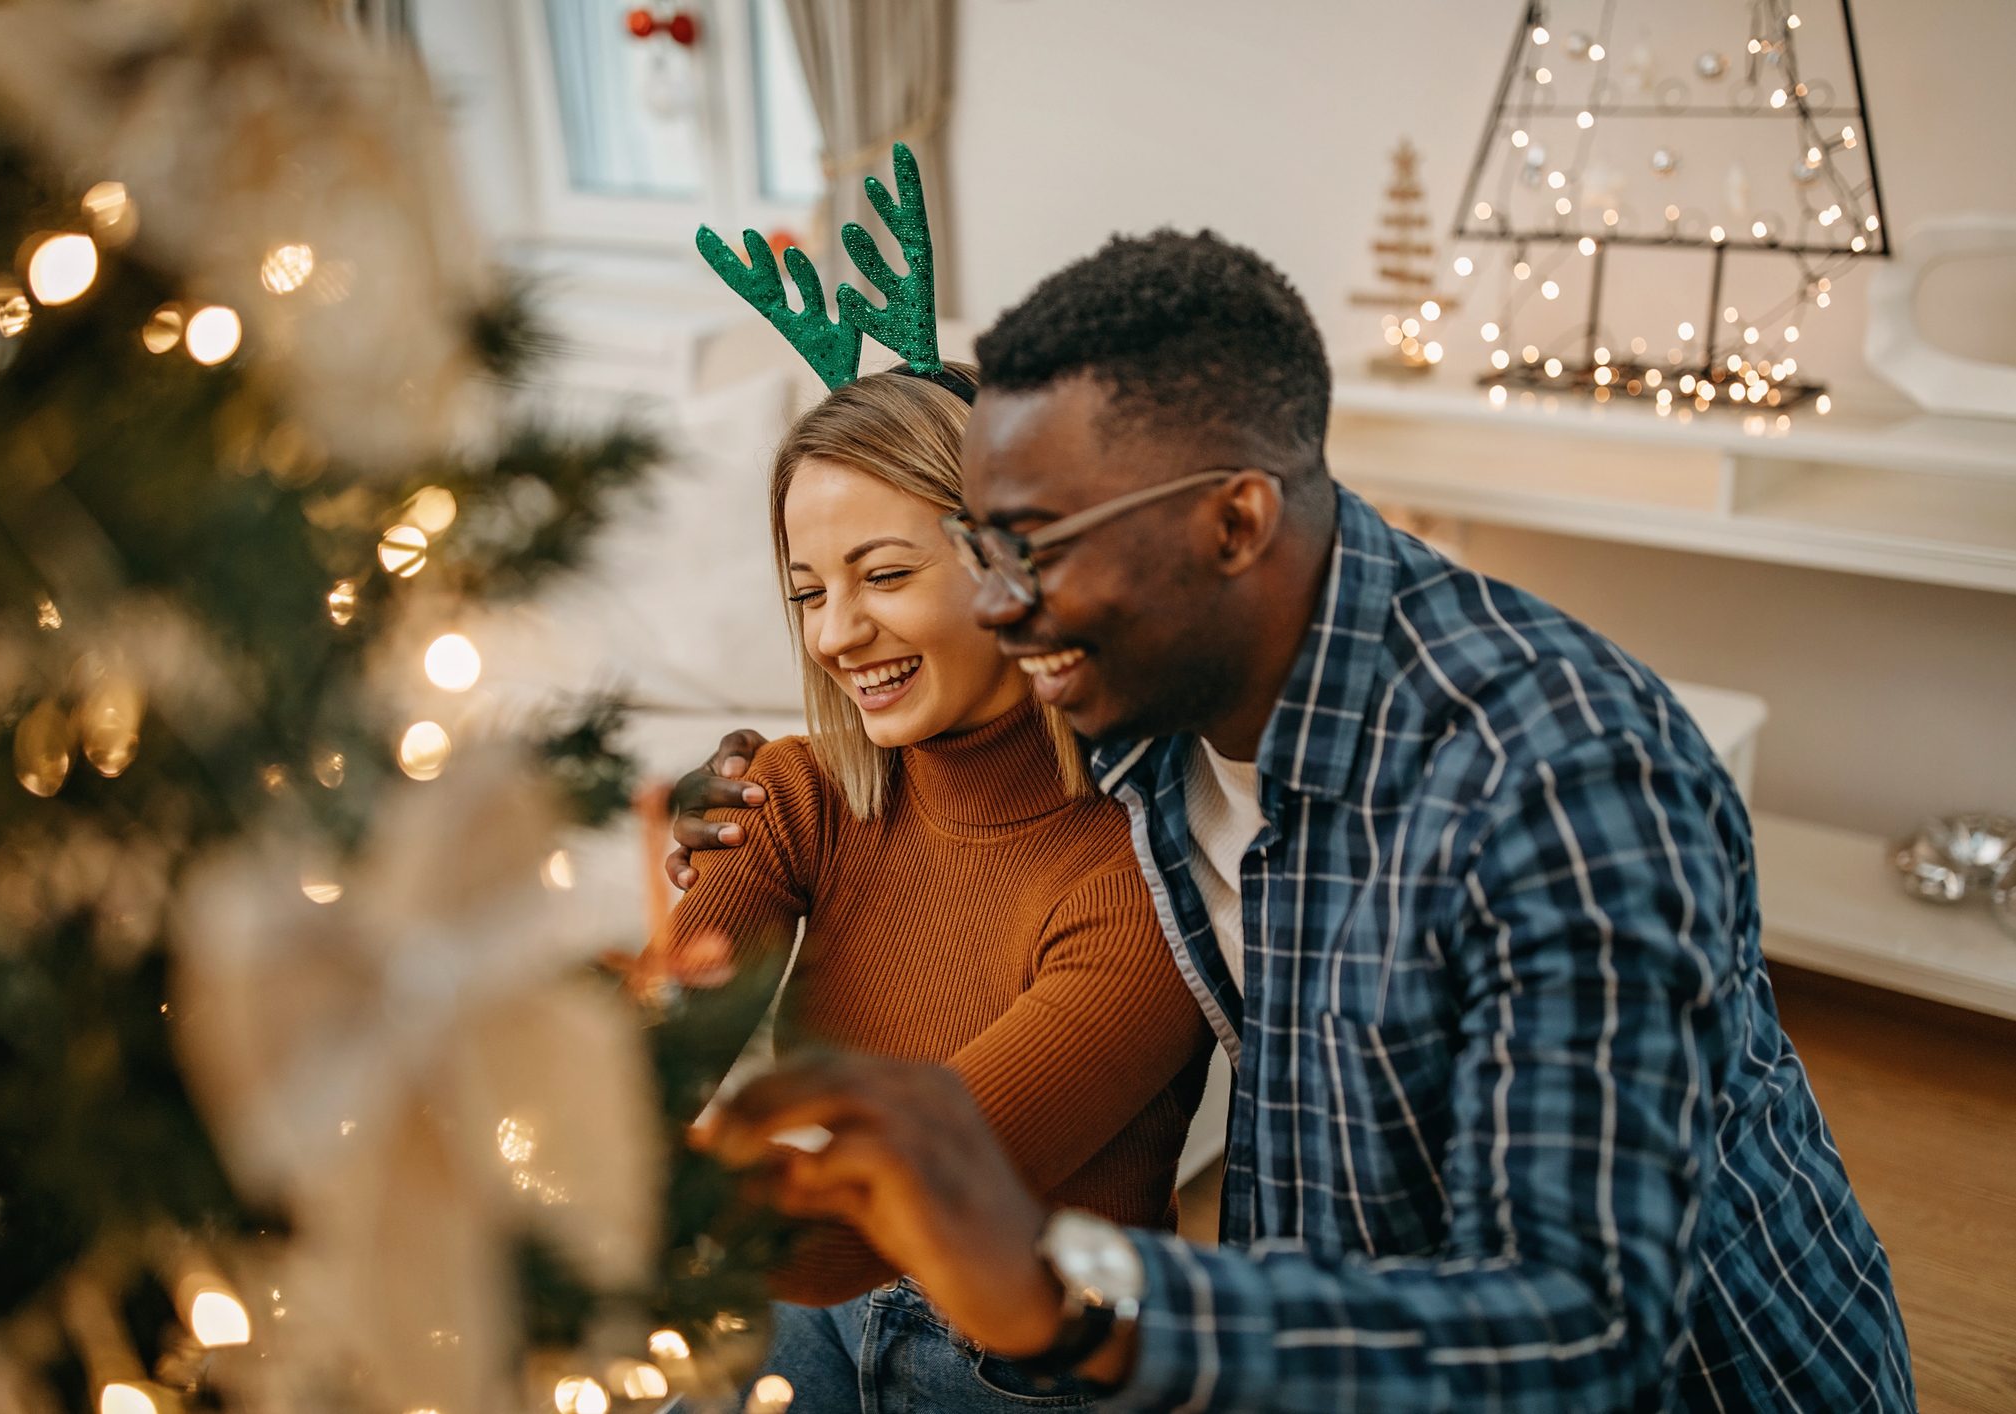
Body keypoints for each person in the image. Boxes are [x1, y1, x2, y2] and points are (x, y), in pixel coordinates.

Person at [675, 229, 1915, 1411]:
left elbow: (1577, 1329)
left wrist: (1072, 1291)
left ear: (1233, 524)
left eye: (1034, 549)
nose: (997, 608)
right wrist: (738, 805)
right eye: (978, 548)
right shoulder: (1151, 690)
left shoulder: (1561, 783)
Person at [658, 361, 1213, 1411]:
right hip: (807, 1313)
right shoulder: (800, 793)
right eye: (809, 592)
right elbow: (643, 1054)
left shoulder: (1137, 882)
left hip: (1022, 1364)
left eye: (884, 575)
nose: (834, 635)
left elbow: (885, 1215)